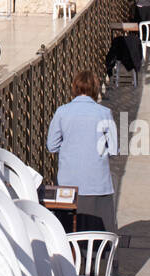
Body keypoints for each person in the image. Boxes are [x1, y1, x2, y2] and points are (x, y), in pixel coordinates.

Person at [46, 69, 118, 233]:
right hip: (97, 185)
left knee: (69, 232)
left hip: (68, 184)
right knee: (99, 234)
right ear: (95, 88)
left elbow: (52, 145)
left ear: (75, 88)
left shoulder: (62, 112)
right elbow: (113, 149)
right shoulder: (104, 113)